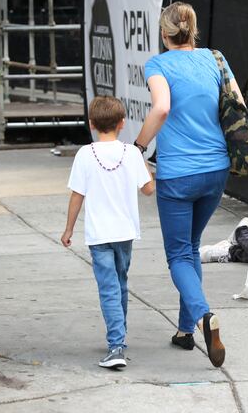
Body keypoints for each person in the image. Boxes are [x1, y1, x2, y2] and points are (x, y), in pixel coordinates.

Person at [133, 2, 245, 368]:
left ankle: (203, 315)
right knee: (190, 247)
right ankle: (185, 330)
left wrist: (138, 147)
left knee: (179, 254)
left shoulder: (159, 65)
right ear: (191, 30)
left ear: (164, 34)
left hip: (178, 174)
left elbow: (161, 108)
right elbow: (238, 104)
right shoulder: (216, 59)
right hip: (216, 170)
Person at [61, 96, 155, 369]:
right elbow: (149, 190)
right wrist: (142, 159)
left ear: (91, 124)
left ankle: (116, 346)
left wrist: (68, 229)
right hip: (125, 233)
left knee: (109, 289)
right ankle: (119, 336)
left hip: (99, 235)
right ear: (122, 123)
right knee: (120, 284)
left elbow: (77, 196)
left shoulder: (84, 154)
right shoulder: (132, 153)